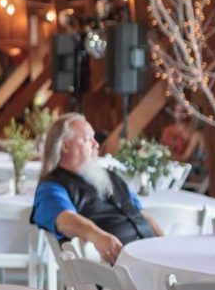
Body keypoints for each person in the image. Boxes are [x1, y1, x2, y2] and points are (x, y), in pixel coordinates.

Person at [30, 113, 164, 264]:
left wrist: (164, 242)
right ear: (65, 146)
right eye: (88, 139)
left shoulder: (110, 176)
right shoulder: (52, 186)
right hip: (117, 265)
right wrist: (96, 235)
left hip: (151, 254)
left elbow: (141, 213)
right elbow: (64, 219)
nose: (96, 144)